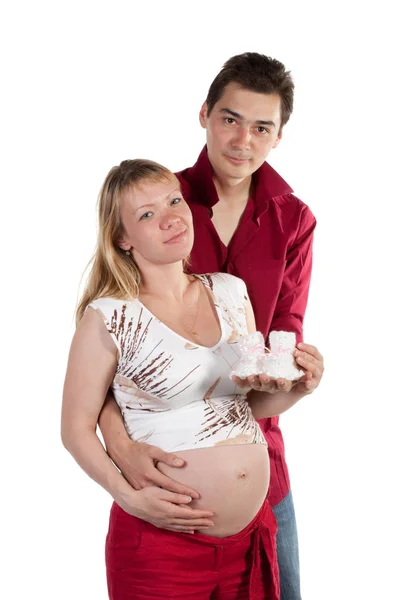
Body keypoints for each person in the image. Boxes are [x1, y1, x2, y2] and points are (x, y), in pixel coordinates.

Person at [98, 53, 325, 600]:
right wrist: (120, 448)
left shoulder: (294, 220)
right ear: (204, 114)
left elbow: (282, 337)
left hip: (262, 459)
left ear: (278, 137)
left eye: (262, 127)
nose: (242, 140)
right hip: (165, 471)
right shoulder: (159, 204)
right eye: (230, 118)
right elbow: (105, 348)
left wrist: (303, 376)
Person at [61, 158, 320, 599]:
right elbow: (76, 429)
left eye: (174, 200)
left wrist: (298, 389)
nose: (171, 218)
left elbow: (244, 406)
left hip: (250, 540)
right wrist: (127, 496)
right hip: (163, 550)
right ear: (121, 238)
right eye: (147, 214)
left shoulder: (229, 290)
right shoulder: (108, 316)